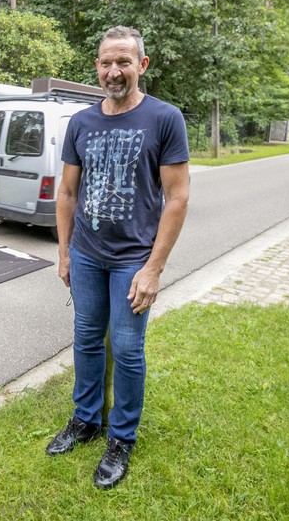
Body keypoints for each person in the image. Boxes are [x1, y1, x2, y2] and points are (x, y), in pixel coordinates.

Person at [47, 26, 190, 489]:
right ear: (97, 67)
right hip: (87, 255)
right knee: (87, 338)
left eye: (124, 62)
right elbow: (67, 192)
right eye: (107, 63)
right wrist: (65, 253)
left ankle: (121, 437)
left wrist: (153, 269)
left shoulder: (164, 119)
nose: (114, 71)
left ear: (141, 65)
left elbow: (177, 198)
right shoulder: (82, 123)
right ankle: (86, 419)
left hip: (134, 259)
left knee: (127, 350)